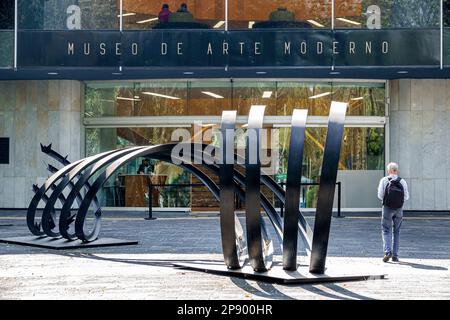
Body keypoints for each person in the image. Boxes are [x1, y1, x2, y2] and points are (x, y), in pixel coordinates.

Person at [377, 162, 409, 263]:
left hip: (387, 208)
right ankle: (395, 255)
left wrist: (387, 201)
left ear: (388, 171)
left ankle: (387, 252)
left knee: (386, 230)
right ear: (397, 170)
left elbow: (380, 195)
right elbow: (406, 197)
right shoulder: (402, 181)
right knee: (397, 231)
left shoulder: (384, 180)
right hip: (399, 209)